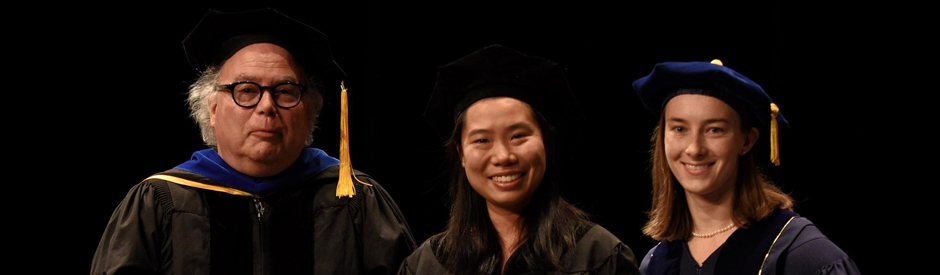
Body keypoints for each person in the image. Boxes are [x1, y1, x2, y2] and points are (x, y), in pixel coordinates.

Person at [91, 8, 415, 275]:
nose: (266, 106)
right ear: (212, 109)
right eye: (246, 90)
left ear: (310, 112)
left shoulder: (358, 201)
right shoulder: (158, 203)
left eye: (285, 91)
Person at [398, 44, 639, 275]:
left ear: (546, 142)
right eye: (482, 140)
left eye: (518, 136)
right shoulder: (427, 264)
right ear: (460, 154)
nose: (503, 156)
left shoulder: (599, 256)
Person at [631, 60, 859, 275]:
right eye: (679, 129)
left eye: (715, 130)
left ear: (747, 140)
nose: (694, 149)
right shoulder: (656, 262)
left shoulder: (800, 254)